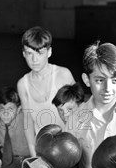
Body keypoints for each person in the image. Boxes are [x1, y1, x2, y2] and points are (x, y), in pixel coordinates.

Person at [17, 26, 75, 156]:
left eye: (40, 53)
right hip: (43, 151)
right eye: (29, 53)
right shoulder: (22, 84)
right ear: (23, 53)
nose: (34, 59)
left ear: (49, 52)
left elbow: (77, 113)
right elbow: (28, 123)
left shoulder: (63, 75)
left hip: (69, 147)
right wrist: (34, 156)